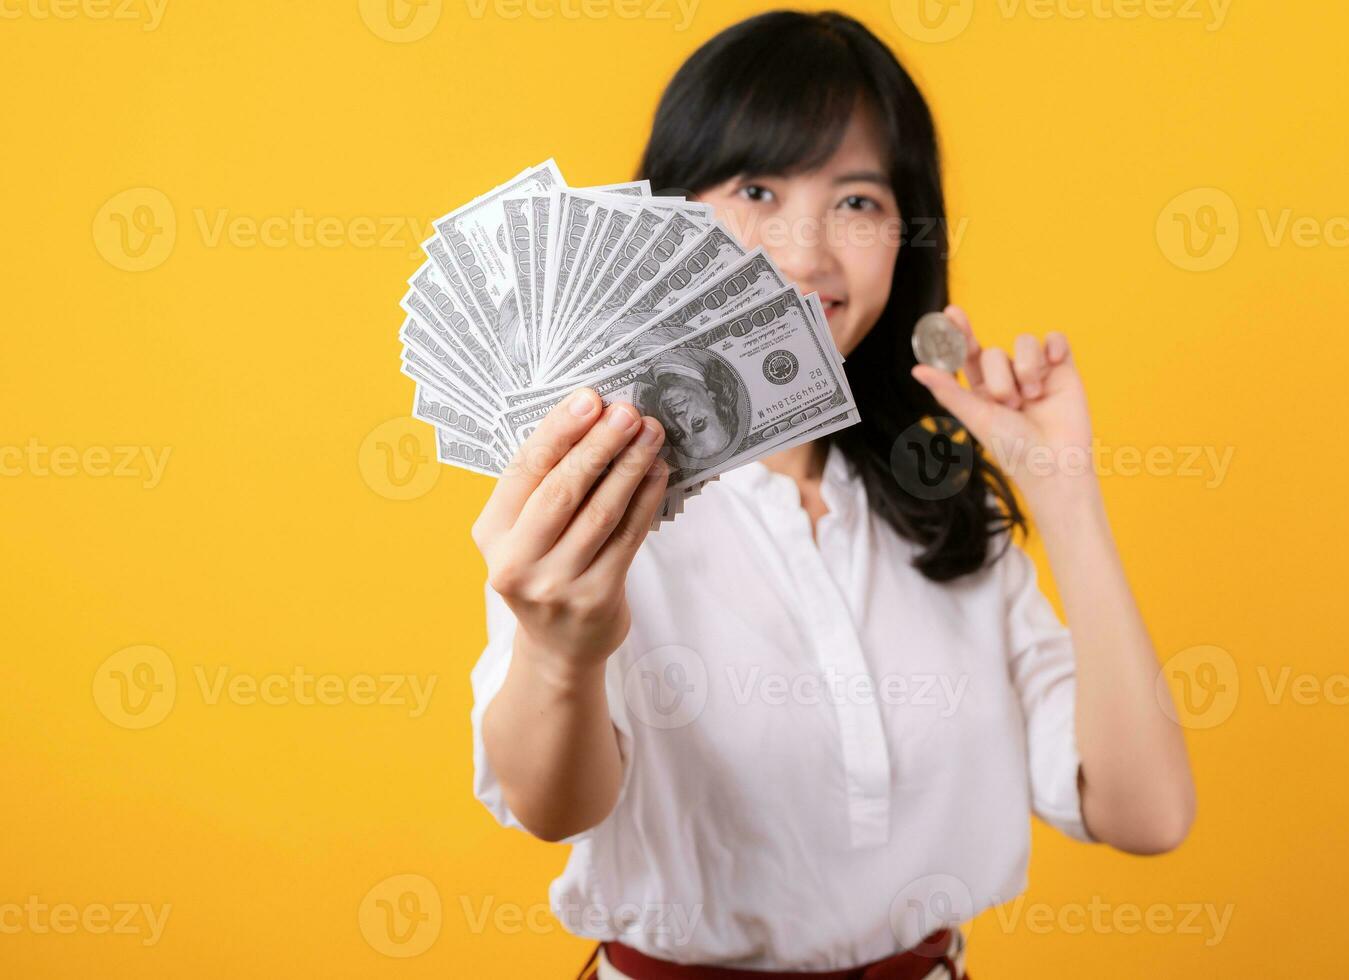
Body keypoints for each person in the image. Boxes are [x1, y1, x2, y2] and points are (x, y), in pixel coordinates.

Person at [470, 10, 1196, 978]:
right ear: (668, 221)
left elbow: (1146, 812)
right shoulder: (596, 495)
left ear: (906, 237)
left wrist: (1064, 497)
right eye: (758, 187)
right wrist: (562, 650)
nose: (808, 251)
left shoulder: (936, 511)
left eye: (858, 201)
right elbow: (552, 807)